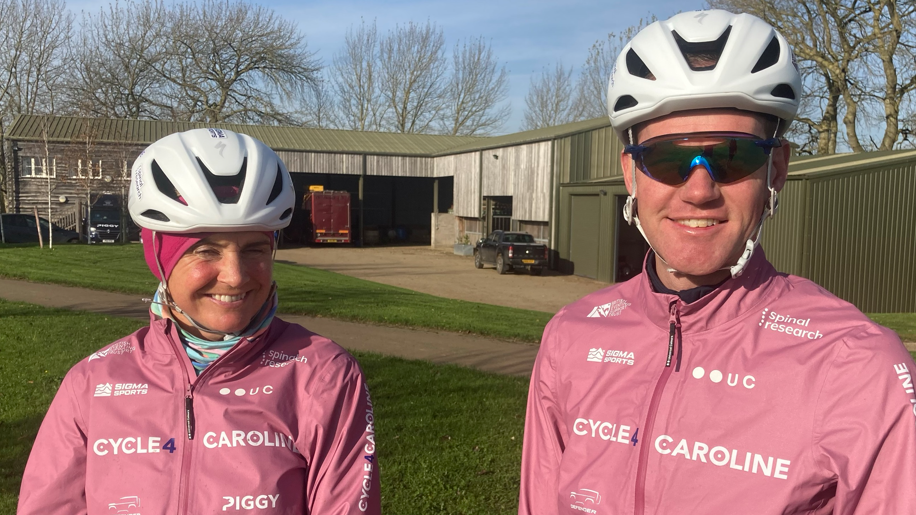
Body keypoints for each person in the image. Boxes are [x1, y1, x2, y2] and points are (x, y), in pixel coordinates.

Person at [519, 10, 916, 515]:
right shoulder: (569, 338)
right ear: (632, 174)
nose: (700, 190)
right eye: (667, 158)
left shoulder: (861, 368)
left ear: (775, 170)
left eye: (733, 156)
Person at [18, 129, 380, 514]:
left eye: (254, 249)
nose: (236, 276)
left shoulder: (322, 375)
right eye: (206, 250)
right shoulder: (93, 383)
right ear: (159, 258)